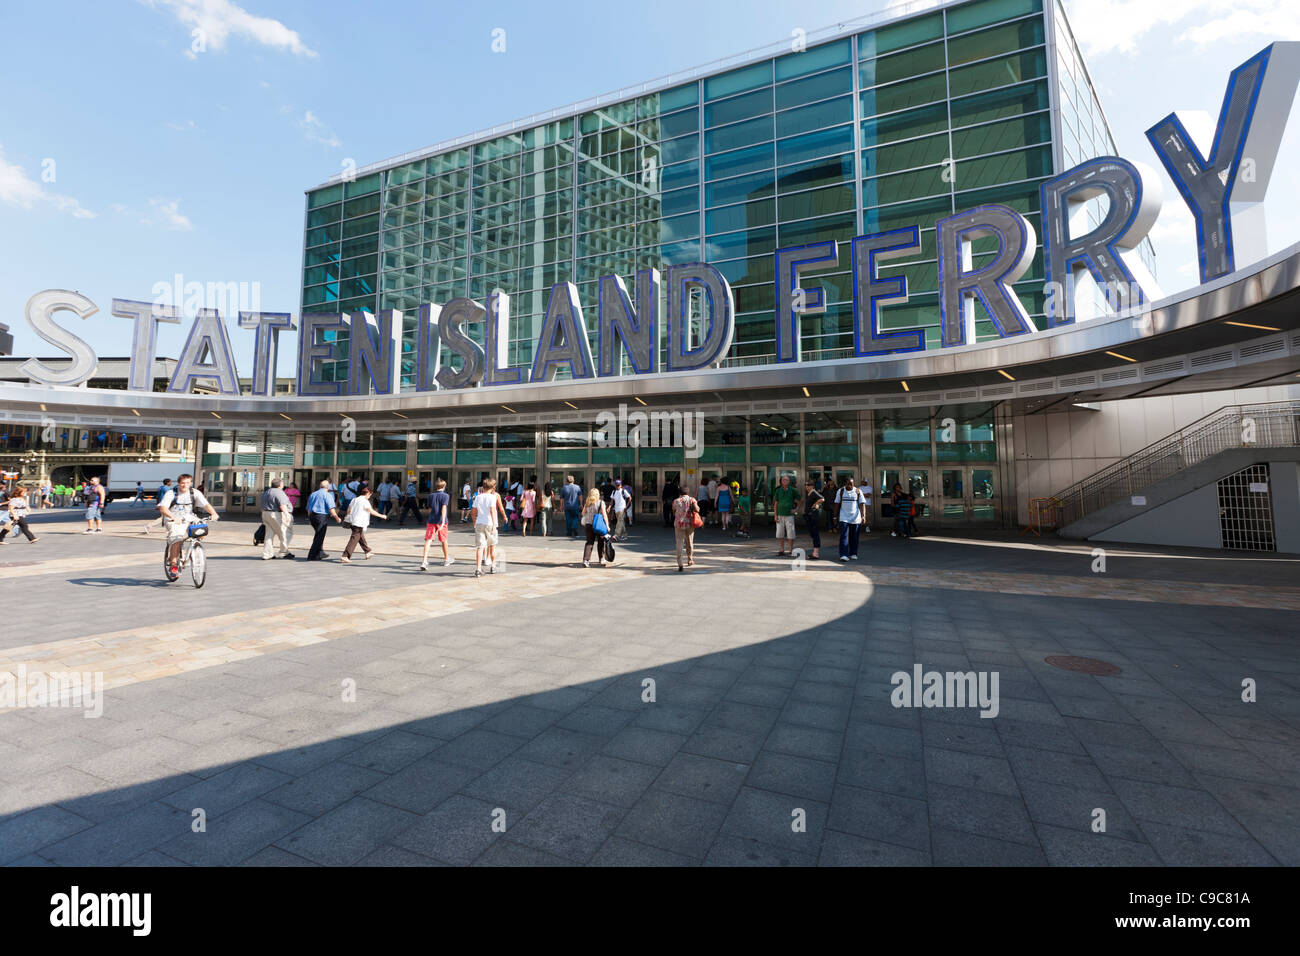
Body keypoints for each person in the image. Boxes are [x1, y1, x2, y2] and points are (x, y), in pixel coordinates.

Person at [158, 473, 218, 575]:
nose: (185, 485)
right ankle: (173, 565)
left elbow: (206, 504)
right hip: (173, 519)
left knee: (201, 529)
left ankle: (193, 549)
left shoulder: (195, 493)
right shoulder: (171, 493)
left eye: (187, 483)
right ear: (179, 483)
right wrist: (173, 518)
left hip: (189, 518)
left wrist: (213, 513)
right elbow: (163, 508)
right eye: (182, 483)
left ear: (191, 483)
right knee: (177, 538)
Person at [340, 484, 388, 562]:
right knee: (354, 538)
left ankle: (367, 551)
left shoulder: (354, 499)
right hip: (359, 522)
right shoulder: (365, 501)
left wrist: (350, 516)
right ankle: (345, 556)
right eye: (370, 495)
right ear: (368, 493)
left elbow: (348, 510)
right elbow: (371, 511)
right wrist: (382, 516)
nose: (370, 496)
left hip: (352, 521)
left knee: (360, 537)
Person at [472, 477, 507, 578]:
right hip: (489, 524)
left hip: (480, 523)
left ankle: (478, 569)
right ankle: (493, 566)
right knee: (492, 546)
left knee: (480, 547)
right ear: (493, 487)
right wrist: (495, 524)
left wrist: (474, 521)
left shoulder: (478, 497)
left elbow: (473, 512)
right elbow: (492, 511)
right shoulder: (492, 497)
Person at [420, 478, 454, 570]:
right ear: (444, 486)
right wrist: (443, 521)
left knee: (428, 540)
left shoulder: (431, 495)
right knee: (443, 540)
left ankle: (424, 561)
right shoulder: (446, 496)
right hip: (441, 521)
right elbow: (444, 508)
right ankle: (446, 559)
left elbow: (430, 509)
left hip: (431, 520)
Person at [259, 477, 295, 560]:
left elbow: (261, 505)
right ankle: (284, 552)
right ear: (280, 485)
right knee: (285, 533)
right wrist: (286, 515)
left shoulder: (266, 492)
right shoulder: (279, 492)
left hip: (265, 513)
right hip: (276, 514)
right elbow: (282, 505)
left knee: (269, 534)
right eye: (282, 483)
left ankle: (267, 554)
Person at [306, 479, 342, 560]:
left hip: (312, 516)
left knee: (318, 534)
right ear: (328, 487)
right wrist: (337, 517)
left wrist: (310, 519)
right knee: (319, 536)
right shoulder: (327, 495)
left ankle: (320, 553)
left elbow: (309, 508)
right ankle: (311, 555)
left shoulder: (313, 494)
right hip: (321, 517)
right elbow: (331, 508)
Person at [836, 477, 867, 561]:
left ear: (854, 484)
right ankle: (843, 554)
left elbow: (862, 504)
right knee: (844, 536)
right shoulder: (841, 491)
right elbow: (837, 503)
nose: (850, 486)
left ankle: (853, 553)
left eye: (851, 484)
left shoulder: (858, 491)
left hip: (855, 517)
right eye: (848, 484)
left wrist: (863, 515)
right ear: (845, 484)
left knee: (854, 537)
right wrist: (835, 516)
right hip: (844, 516)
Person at [580, 488, 610, 568]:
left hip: (588, 525)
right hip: (598, 525)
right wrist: (607, 525)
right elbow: (604, 515)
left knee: (589, 542)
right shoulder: (601, 503)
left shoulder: (587, 503)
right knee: (600, 541)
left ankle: (586, 560)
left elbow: (583, 513)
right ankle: (601, 558)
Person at [671, 485, 700, 571]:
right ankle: (690, 559)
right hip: (690, 524)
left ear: (679, 492)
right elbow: (697, 510)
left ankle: (680, 563)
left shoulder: (676, 501)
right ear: (688, 492)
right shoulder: (692, 500)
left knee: (679, 543)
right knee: (690, 542)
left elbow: (673, 511)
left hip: (679, 524)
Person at [772, 474, 798, 557]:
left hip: (789, 515)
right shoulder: (778, 491)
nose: (785, 481)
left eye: (787, 480)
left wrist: (796, 509)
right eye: (783, 480)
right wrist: (775, 515)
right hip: (780, 515)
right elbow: (776, 504)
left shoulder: (793, 490)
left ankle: (791, 550)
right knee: (780, 533)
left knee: (791, 534)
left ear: (789, 481)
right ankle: (781, 549)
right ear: (781, 481)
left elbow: (801, 500)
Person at [803, 479, 823, 560]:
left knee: (815, 534)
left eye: (808, 485)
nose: (807, 486)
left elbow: (822, 499)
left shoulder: (814, 492)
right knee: (812, 533)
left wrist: (816, 504)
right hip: (809, 516)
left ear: (812, 486)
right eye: (806, 485)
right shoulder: (809, 493)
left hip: (813, 516)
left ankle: (816, 553)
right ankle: (815, 552)